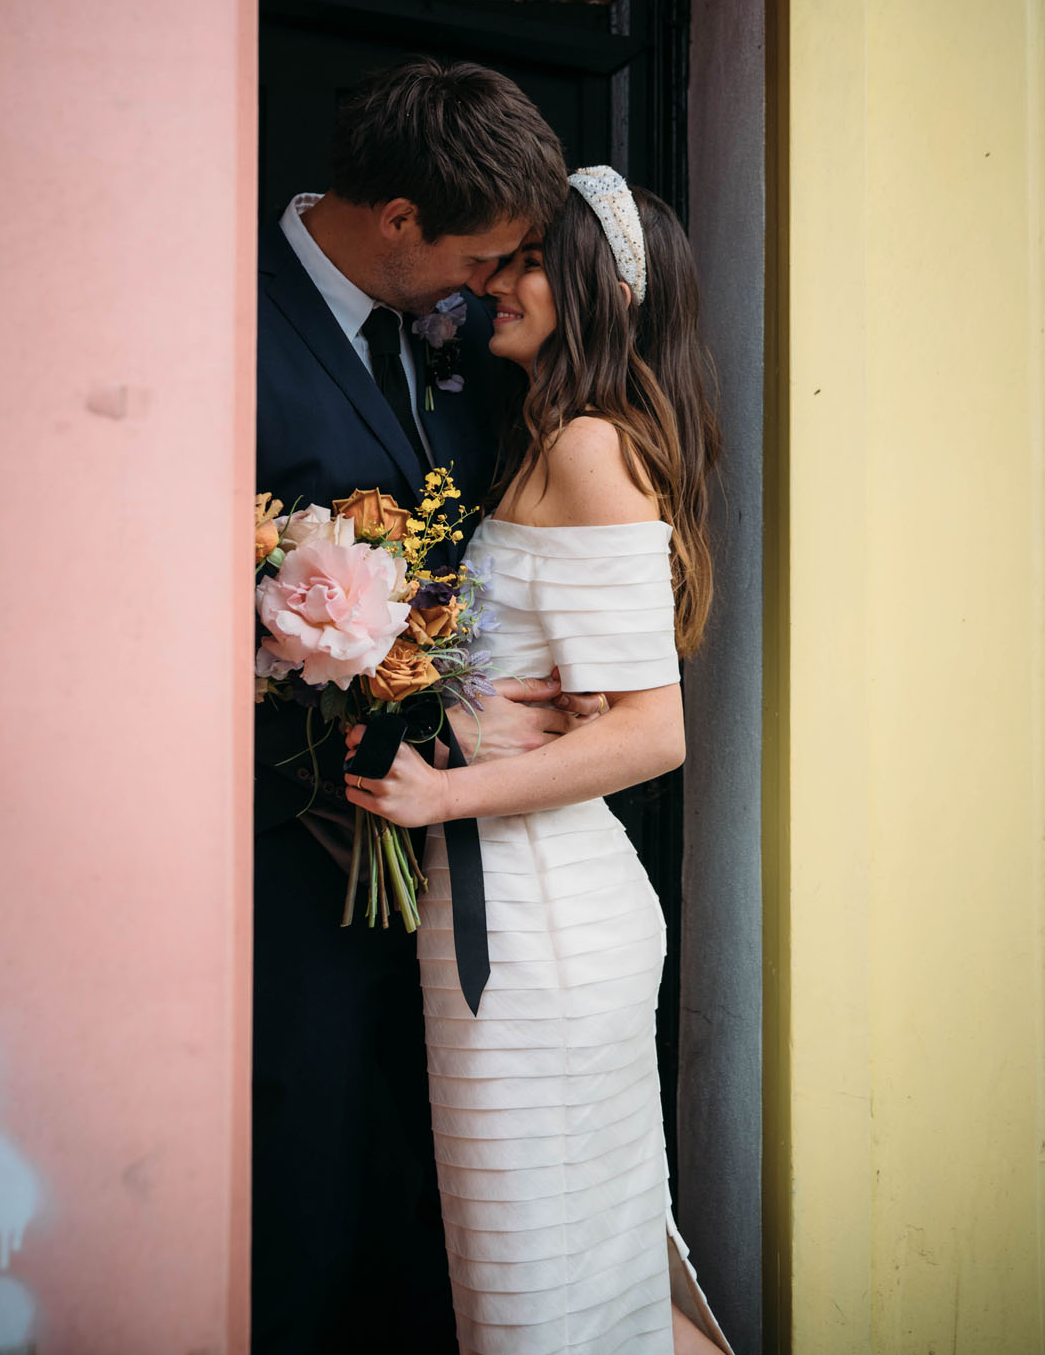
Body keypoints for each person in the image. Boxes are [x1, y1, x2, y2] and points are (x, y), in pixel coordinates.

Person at [345, 168, 733, 1355]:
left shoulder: (589, 450)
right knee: (572, 1290)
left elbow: (651, 731)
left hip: (545, 926)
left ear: (596, 290)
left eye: (527, 261)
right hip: (503, 912)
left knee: (547, 1305)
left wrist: (443, 789)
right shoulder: (546, 439)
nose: (496, 280)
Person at [254, 58, 588, 1354]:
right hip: (289, 842)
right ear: (399, 220)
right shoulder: (221, 310)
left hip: (439, 843)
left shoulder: (451, 338)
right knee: (305, 1170)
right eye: (483, 256)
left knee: (416, 1178)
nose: (492, 287)